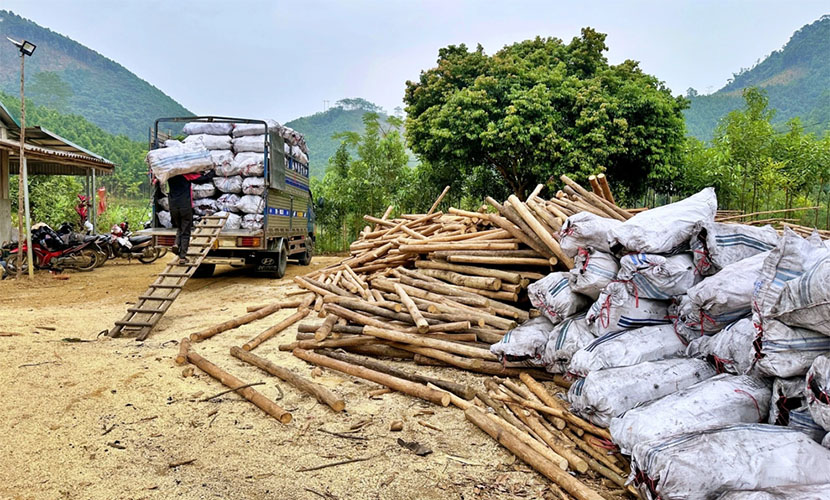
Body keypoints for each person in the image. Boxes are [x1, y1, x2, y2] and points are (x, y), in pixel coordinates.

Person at [167, 170, 214, 265]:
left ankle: (176, 244)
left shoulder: (169, 175)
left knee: (180, 227)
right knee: (186, 231)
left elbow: (157, 180)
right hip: (185, 206)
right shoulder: (186, 175)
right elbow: (202, 179)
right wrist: (212, 172)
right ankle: (182, 257)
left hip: (173, 207)